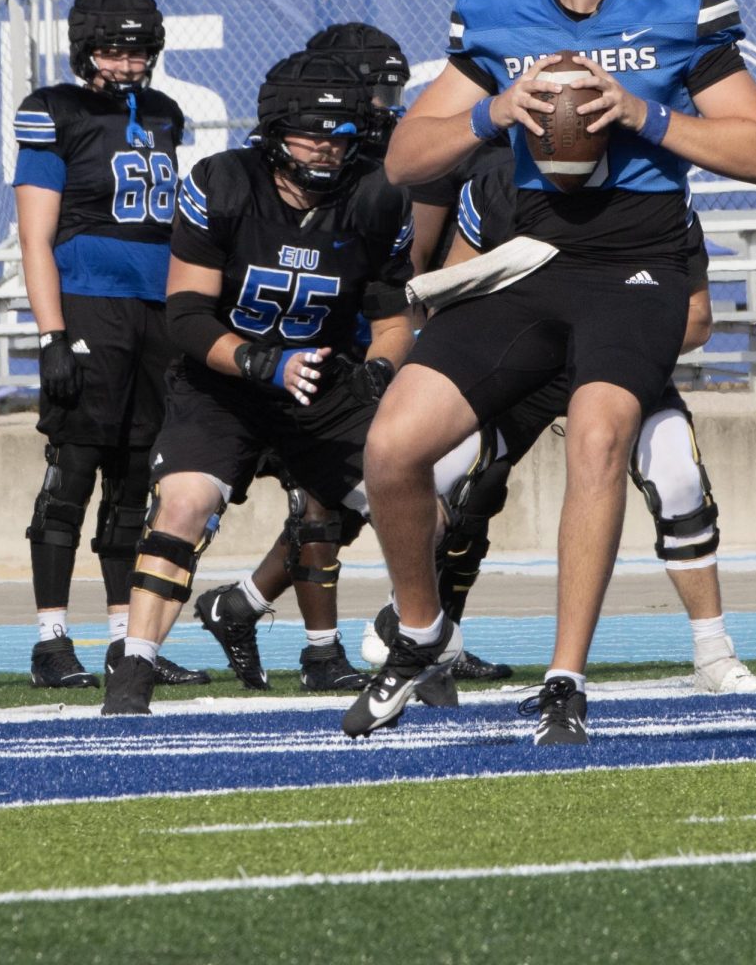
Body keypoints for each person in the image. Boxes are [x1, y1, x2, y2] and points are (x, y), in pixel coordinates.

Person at [344, 0, 756, 744]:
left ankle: (563, 676)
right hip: (534, 259)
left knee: (599, 439)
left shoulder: (682, 3)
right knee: (392, 448)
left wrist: (643, 113)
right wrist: (491, 108)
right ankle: (422, 632)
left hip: (640, 261)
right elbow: (407, 156)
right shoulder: (495, 13)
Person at [102, 48, 476, 715]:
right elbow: (185, 313)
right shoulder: (223, 182)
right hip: (223, 382)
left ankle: (414, 642)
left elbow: (392, 315)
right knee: (184, 504)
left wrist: (381, 371)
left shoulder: (377, 196)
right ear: (275, 129)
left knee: (428, 505)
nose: (329, 146)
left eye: (341, 133)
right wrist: (256, 360)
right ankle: (133, 671)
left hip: (321, 387)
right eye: (312, 130)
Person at [361, 166, 756, 696]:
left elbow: (696, 318)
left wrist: (611, 350)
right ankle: (418, 623)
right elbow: (453, 300)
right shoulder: (493, 186)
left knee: (677, 474)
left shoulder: (651, 187)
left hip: (618, 357)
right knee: (433, 474)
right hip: (525, 365)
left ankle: (713, 651)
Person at [14, 0, 208, 691]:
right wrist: (51, 334)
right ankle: (51, 641)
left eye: (138, 51)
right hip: (89, 303)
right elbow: (35, 236)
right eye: (113, 51)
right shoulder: (52, 111)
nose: (128, 65)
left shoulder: (162, 112)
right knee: (72, 472)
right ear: (84, 48)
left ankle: (129, 643)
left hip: (156, 309)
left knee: (136, 480)